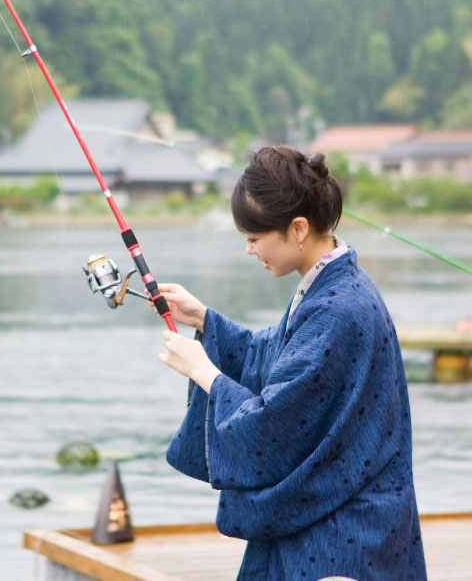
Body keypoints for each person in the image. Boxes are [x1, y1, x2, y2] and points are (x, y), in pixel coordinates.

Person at [158, 145, 427, 581]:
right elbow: (277, 356)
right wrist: (206, 320)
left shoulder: (338, 307)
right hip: (342, 513)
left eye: (253, 238)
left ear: (297, 228)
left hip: (347, 537)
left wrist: (202, 371)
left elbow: (274, 422)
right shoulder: (332, 286)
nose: (249, 251)